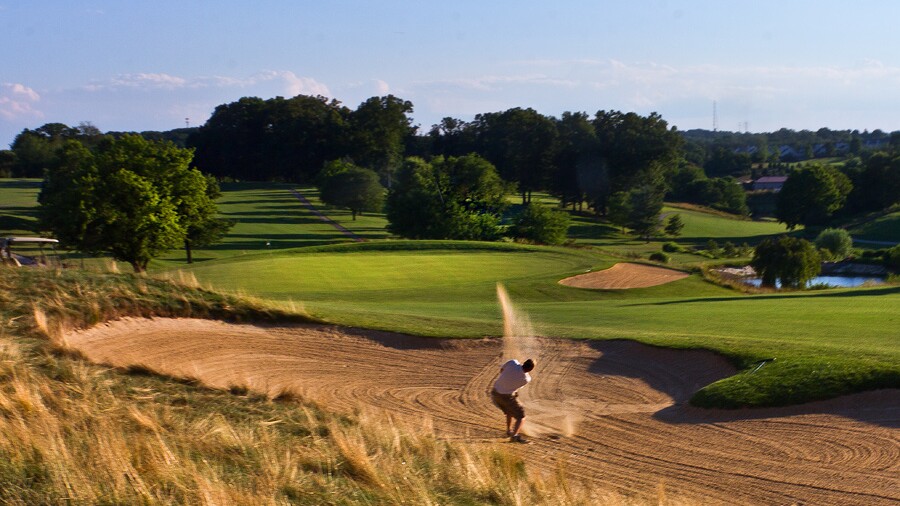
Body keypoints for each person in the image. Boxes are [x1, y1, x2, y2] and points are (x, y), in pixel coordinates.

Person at [490, 358, 534, 443]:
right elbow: (515, 387)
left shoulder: (512, 362)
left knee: (509, 411)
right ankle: (514, 436)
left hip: (495, 393)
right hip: (506, 396)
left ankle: (509, 431)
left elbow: (502, 370)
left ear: (524, 362)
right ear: (530, 369)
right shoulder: (526, 379)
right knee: (521, 417)